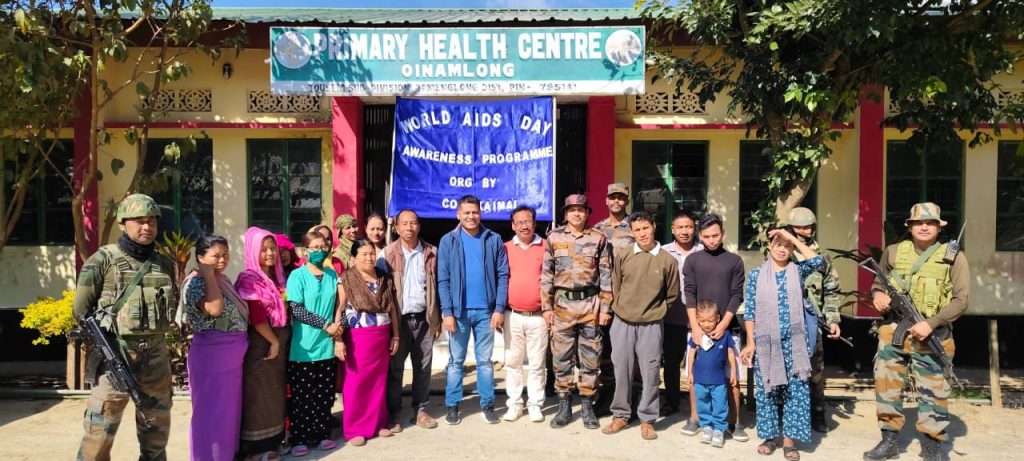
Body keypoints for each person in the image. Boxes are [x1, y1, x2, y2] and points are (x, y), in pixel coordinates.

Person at [73, 194, 177, 461]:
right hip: (116, 356)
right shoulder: (103, 260)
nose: (147, 227)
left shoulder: (164, 263)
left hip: (155, 357)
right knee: (100, 429)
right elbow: (81, 311)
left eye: (152, 221)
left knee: (157, 429)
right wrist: (104, 347)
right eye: (139, 221)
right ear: (123, 223)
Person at [863, 203, 969, 461]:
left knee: (934, 393)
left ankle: (931, 448)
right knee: (886, 386)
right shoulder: (893, 251)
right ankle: (889, 442)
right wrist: (878, 296)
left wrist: (931, 323)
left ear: (939, 227)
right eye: (918, 223)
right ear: (909, 227)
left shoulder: (953, 257)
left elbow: (961, 300)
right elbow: (878, 283)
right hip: (893, 333)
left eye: (930, 223)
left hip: (933, 336)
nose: (924, 227)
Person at [740, 228, 823, 461]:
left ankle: (789, 441)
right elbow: (750, 311)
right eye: (778, 244)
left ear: (793, 248)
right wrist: (750, 342)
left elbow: (817, 261)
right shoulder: (757, 275)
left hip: (794, 344)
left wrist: (792, 238)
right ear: (769, 246)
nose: (782, 249)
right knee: (767, 390)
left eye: (787, 246)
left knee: (796, 392)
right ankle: (769, 438)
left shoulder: (798, 271)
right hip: (766, 343)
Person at [601, 211, 679, 440]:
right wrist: (623, 309)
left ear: (654, 227)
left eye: (646, 228)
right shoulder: (624, 254)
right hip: (622, 322)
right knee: (621, 370)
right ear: (632, 232)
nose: (642, 233)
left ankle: (647, 419)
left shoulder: (667, 260)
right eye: (637, 230)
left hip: (651, 325)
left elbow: (672, 295)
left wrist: (655, 312)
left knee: (650, 372)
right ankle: (621, 415)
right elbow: (616, 285)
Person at [541, 194, 613, 430]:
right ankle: (564, 405)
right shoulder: (554, 238)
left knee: (591, 358)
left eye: (581, 210)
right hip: (562, 306)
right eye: (572, 210)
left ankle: (587, 406)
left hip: (590, 305)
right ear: (566, 213)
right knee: (561, 358)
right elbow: (546, 275)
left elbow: (606, 276)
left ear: (587, 213)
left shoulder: (598, 238)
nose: (577, 213)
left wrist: (605, 308)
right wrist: (546, 307)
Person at [438, 195, 509, 425]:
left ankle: (487, 404)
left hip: (486, 312)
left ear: (481, 213)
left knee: (485, 361)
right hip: (458, 313)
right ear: (458, 214)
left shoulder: (493, 239)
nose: (471, 216)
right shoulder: (448, 241)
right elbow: (443, 279)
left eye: (475, 212)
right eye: (466, 212)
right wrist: (447, 311)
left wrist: (499, 308)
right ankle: (452, 405)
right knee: (456, 361)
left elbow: (502, 275)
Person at [179, 234, 249, 461]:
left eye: (225, 255)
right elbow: (215, 309)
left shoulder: (224, 279)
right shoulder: (195, 283)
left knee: (227, 414)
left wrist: (214, 275)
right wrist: (208, 275)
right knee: (211, 414)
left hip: (231, 359)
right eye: (215, 256)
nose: (222, 260)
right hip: (212, 358)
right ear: (200, 258)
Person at [680, 213, 749, 442]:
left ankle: (735, 422)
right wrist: (695, 327)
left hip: (728, 329)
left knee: (731, 377)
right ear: (700, 236)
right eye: (707, 236)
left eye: (715, 235)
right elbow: (689, 293)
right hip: (698, 328)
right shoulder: (693, 261)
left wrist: (724, 323)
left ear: (723, 234)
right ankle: (695, 418)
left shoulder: (734, 261)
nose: (711, 240)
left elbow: (737, 294)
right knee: (696, 377)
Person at [380, 209, 441, 431]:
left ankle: (421, 409)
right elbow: (381, 291)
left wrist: (437, 319)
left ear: (419, 226)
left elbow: (439, 287)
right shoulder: (386, 254)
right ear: (396, 228)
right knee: (395, 368)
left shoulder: (432, 252)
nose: (409, 227)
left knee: (423, 367)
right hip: (398, 322)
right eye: (404, 224)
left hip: (424, 319)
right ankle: (394, 411)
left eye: (413, 223)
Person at [337, 239, 401, 446]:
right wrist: (338, 339)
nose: (369, 258)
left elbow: (392, 308)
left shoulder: (384, 277)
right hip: (358, 338)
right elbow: (339, 310)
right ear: (354, 258)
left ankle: (378, 423)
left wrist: (395, 335)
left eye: (371, 253)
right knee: (356, 383)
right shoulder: (346, 279)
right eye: (363, 254)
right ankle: (355, 428)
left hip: (381, 336)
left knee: (378, 383)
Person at [235, 227, 290, 461]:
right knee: (259, 395)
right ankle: (256, 450)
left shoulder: (276, 278)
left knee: (275, 393)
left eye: (272, 248)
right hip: (262, 345)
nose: (270, 253)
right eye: (263, 249)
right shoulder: (249, 279)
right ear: (252, 250)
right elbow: (256, 317)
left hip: (278, 342)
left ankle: (275, 440)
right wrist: (273, 341)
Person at [786, 207, 843, 433]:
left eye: (809, 227)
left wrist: (833, 319)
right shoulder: (783, 253)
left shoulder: (822, 258)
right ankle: (789, 413)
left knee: (815, 371)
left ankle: (818, 413)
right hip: (788, 322)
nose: (806, 231)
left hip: (813, 323)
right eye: (800, 228)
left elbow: (832, 291)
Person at [286, 232, 342, 457]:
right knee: (302, 396)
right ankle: (300, 438)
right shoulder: (297, 276)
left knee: (324, 395)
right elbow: (297, 310)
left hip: (326, 347)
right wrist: (326, 324)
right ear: (304, 251)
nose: (320, 251)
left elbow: (339, 305)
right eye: (315, 247)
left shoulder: (332, 274)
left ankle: (322, 434)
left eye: (323, 246)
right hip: (304, 348)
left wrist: (338, 327)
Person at [502, 205, 549, 423]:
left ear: (534, 223)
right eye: (519, 222)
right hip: (512, 315)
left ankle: (535, 404)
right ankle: (514, 404)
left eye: (527, 221)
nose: (524, 226)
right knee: (513, 363)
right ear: (513, 226)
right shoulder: (505, 248)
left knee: (538, 364)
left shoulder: (546, 247)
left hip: (538, 316)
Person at [592, 183, 634, 415]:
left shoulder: (635, 227)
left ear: (627, 201)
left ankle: (630, 397)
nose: (616, 201)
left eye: (621, 197)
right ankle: (607, 394)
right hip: (605, 299)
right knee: (606, 350)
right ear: (606, 201)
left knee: (629, 351)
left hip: (629, 299)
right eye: (613, 197)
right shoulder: (598, 230)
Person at [661, 211, 703, 415]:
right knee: (671, 362)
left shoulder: (704, 250)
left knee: (702, 363)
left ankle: (701, 404)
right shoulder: (663, 252)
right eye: (680, 227)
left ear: (694, 228)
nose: (684, 231)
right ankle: (672, 401)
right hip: (673, 316)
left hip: (701, 319)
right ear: (673, 229)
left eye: (688, 227)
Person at [687, 300, 737, 448]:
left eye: (710, 320)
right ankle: (706, 427)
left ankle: (719, 430)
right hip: (699, 380)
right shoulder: (697, 335)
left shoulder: (724, 335)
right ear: (697, 319)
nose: (706, 324)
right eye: (702, 320)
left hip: (719, 381)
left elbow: (730, 353)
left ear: (718, 318)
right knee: (702, 404)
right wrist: (690, 373)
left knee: (720, 405)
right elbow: (691, 354)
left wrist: (734, 372)